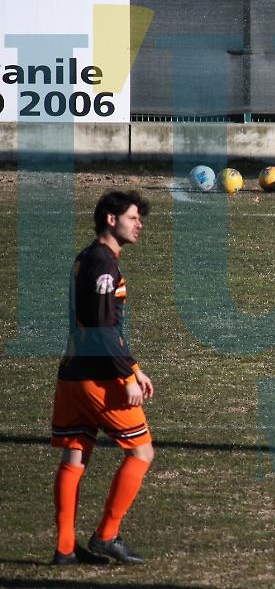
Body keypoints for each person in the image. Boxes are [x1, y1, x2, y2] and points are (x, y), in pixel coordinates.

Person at [50, 190, 154, 565]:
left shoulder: (87, 257)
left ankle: (65, 549)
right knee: (141, 451)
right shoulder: (104, 266)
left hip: (72, 373)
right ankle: (107, 535)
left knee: (75, 455)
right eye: (133, 218)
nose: (139, 225)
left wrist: (135, 368)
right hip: (98, 377)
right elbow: (102, 329)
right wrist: (127, 376)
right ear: (111, 219)